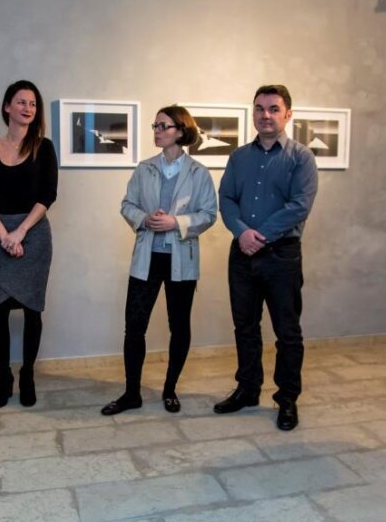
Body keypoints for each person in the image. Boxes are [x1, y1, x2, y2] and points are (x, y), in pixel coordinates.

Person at [100, 106, 217, 416]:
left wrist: (175, 223)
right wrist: (144, 218)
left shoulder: (199, 172)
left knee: (179, 327)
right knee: (134, 327)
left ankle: (169, 390)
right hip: (147, 258)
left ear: (180, 130)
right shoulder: (144, 169)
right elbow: (127, 204)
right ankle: (131, 393)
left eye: (163, 125)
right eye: (155, 125)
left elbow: (209, 215)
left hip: (181, 261)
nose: (156, 130)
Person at [214, 85, 318, 431]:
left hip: (281, 255)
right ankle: (247, 388)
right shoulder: (239, 157)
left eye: (274, 108)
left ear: (288, 114)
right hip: (241, 254)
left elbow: (299, 205)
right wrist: (242, 233)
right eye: (259, 108)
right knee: (245, 326)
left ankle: (287, 398)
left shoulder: (301, 157)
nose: (265, 115)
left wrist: (260, 236)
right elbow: (226, 197)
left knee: (287, 332)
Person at [0, 80, 58, 409]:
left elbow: (48, 195)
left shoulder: (44, 146)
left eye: (33, 104)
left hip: (33, 232)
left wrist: (21, 232)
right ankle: (3, 376)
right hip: (0, 232)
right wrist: (3, 235)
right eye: (21, 102)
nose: (28, 108)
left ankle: (27, 374)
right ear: (7, 107)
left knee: (31, 310)